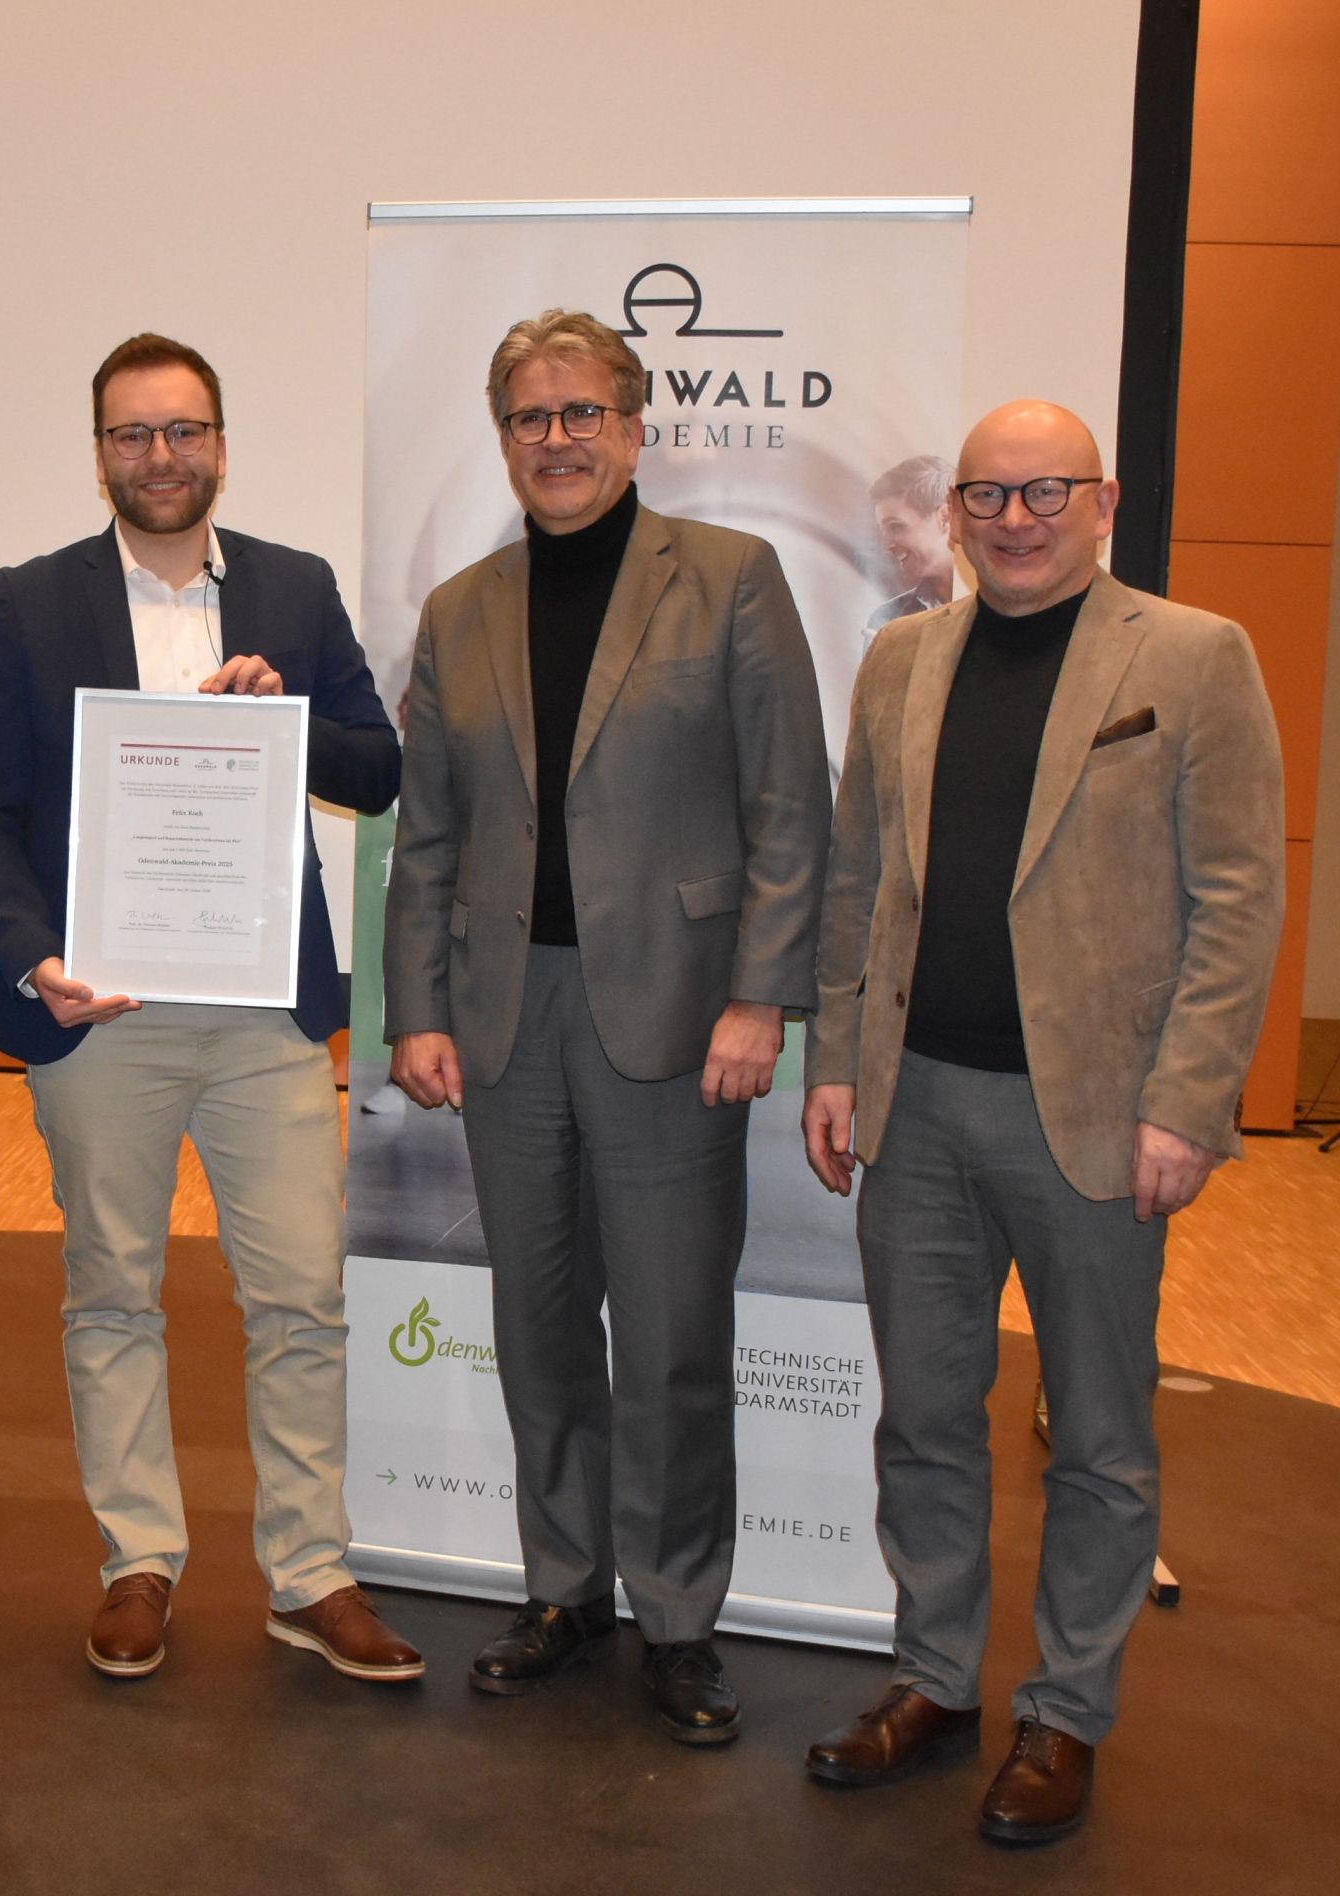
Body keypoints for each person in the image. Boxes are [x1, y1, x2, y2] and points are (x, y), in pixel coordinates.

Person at [800, 400, 1283, 1845]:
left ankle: (1066, 1711)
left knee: (1100, 1440)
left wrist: (1187, 1103)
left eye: (1045, 492)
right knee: (925, 1420)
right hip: (916, 1109)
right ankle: (934, 1680)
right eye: (988, 496)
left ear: (1103, 501)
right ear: (953, 512)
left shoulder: (1192, 656)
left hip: (1096, 1122)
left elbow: (1237, 900)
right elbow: (855, 878)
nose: (1015, 520)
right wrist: (838, 1060)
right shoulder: (901, 660)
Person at [383, 309, 830, 1743]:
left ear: (636, 430)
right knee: (536, 1329)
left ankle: (680, 1618)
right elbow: (429, 837)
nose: (557, 439)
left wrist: (761, 994)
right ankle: (564, 1589)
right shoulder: (460, 609)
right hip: (507, 1021)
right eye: (531, 417)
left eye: (583, 413)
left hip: (678, 1018)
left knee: (676, 1336)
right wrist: (416, 1010)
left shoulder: (730, 579)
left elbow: (789, 807)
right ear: (504, 437)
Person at [0, 333, 419, 1684]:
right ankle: (137, 1561)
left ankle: (310, 1574)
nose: (160, 456)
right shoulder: (29, 601)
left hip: (264, 1013)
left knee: (303, 1296)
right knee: (113, 1291)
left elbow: (376, 770)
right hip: (100, 1011)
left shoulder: (293, 586)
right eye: (133, 434)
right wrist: (31, 955)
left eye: (183, 431)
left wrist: (291, 717)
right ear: (100, 451)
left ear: (219, 443)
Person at [864, 454, 957, 638]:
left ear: (945, 517)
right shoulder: (886, 620)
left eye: (896, 527)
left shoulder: (1005, 601)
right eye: (883, 530)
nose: (887, 545)